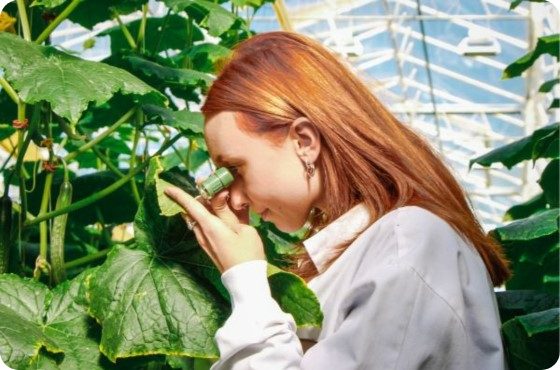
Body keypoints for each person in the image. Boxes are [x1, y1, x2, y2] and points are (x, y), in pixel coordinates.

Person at [164, 31, 510, 370]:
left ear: (304, 141)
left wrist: (245, 279)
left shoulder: (408, 241)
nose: (235, 199)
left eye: (235, 168)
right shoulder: (379, 246)